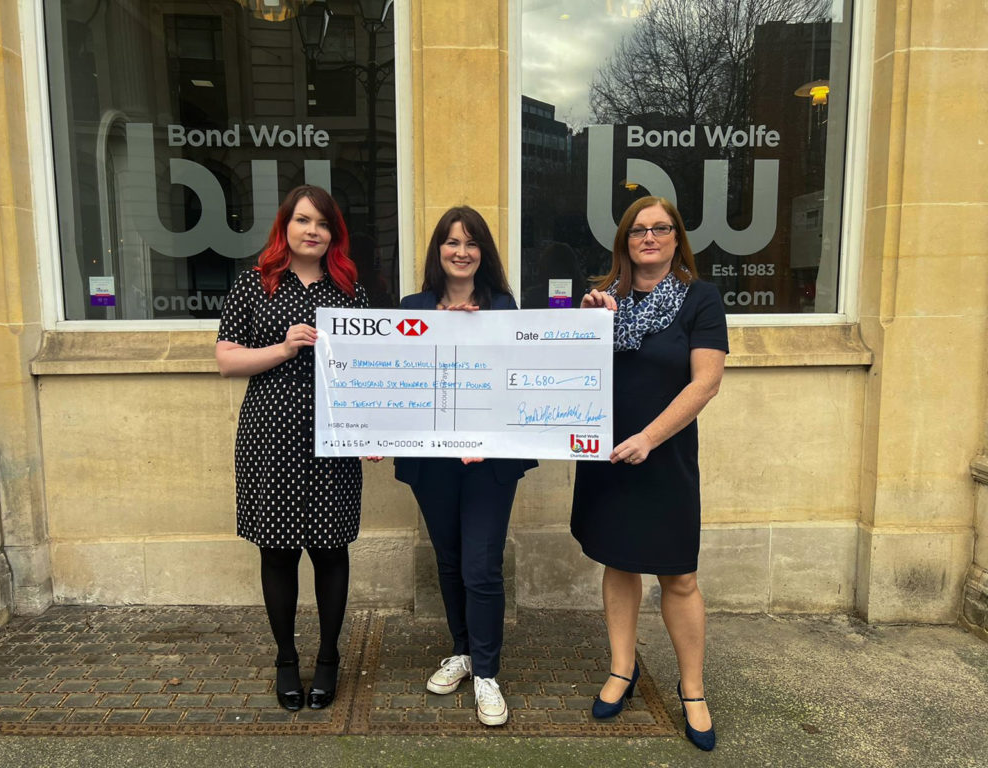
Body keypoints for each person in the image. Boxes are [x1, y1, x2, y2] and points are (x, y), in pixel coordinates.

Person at [571, 196, 727, 750]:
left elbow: (704, 383)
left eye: (661, 229)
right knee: (618, 562)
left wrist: (648, 439)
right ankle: (621, 669)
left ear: (676, 237)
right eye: (639, 230)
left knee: (678, 576)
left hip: (664, 458)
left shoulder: (699, 299)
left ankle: (692, 689)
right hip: (607, 457)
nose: (650, 237)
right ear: (625, 240)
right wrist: (586, 327)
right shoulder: (600, 298)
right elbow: (566, 375)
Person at [215, 185, 370, 712]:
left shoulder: (350, 291)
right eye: (303, 220)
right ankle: (286, 659)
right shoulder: (254, 286)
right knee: (277, 551)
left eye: (323, 224)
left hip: (334, 438)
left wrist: (373, 428)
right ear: (285, 226)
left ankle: (328, 658)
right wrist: (283, 347)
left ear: (334, 234)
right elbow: (227, 361)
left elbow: (371, 372)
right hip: (271, 435)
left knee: (330, 550)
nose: (312, 231)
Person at [394, 206, 536, 726]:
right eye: (451, 242)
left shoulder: (503, 307)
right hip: (433, 464)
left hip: (488, 464)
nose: (460, 251)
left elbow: (516, 382)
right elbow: (393, 383)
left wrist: (490, 432)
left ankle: (488, 673)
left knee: (481, 566)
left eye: (471, 242)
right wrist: (370, 428)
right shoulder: (412, 308)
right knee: (450, 561)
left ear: (484, 253)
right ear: (437, 252)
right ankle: (464, 651)